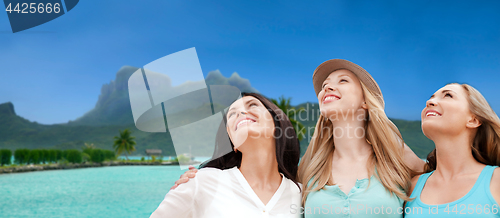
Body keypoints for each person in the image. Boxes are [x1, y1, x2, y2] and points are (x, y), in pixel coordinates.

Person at [173, 59, 425, 217]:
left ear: (365, 102)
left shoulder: (394, 154)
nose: (327, 87)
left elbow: (446, 180)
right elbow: (262, 191)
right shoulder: (310, 167)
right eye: (325, 84)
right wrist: (200, 181)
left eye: (342, 80)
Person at [150, 93, 302, 218]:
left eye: (252, 105)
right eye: (232, 114)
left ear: (277, 124)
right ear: (232, 142)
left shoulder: (302, 194)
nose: (241, 113)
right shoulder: (201, 181)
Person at [405, 83, 500, 217]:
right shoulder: (413, 187)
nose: (429, 102)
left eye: (448, 95)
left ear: (473, 120)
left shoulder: (496, 180)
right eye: (431, 97)